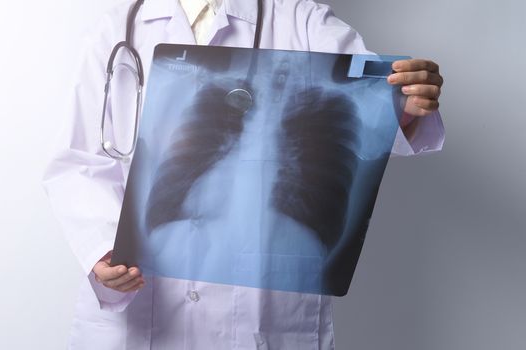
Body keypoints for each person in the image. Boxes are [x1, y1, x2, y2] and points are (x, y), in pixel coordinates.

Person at [41, 0, 445, 348]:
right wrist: (101, 249)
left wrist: (405, 101)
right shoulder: (119, 26)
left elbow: (368, 102)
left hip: (261, 309)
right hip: (141, 298)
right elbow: (80, 158)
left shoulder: (300, 19)